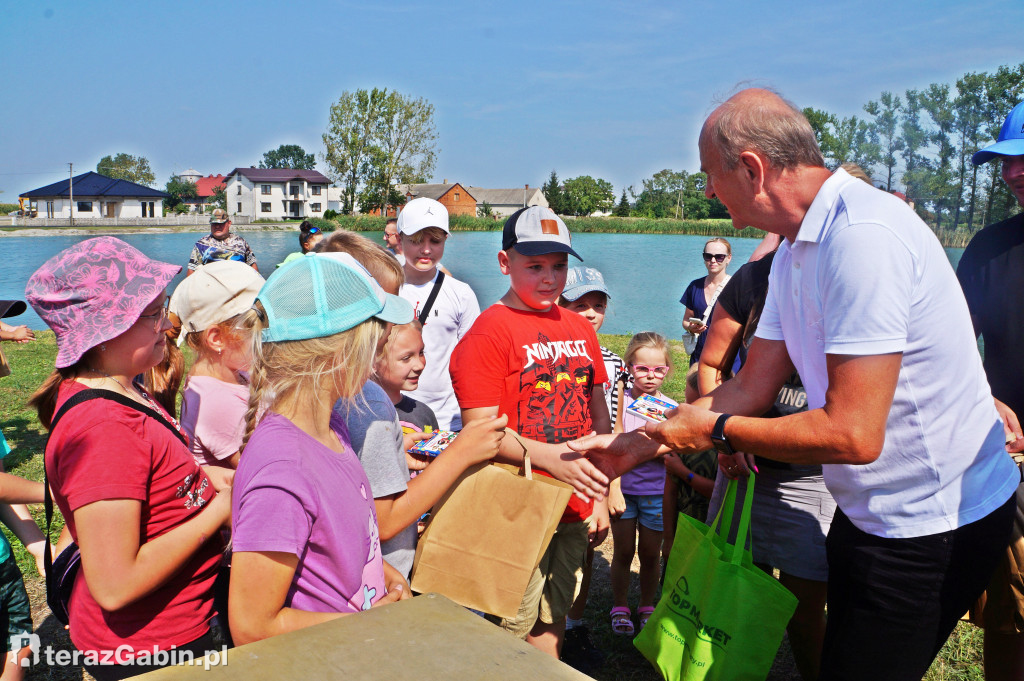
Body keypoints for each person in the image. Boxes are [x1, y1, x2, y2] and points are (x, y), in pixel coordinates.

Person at [570, 88, 1018, 681]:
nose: (706, 190)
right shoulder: (795, 253)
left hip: (933, 521)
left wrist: (719, 431)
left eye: (709, 174)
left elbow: (855, 434)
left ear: (751, 169)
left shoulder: (864, 236)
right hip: (869, 511)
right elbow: (751, 383)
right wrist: (639, 445)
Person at [26, 237, 231, 680]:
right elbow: (115, 586)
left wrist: (205, 475)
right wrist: (218, 511)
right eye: (153, 315)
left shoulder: (125, 386)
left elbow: (151, 476)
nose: (167, 325)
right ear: (106, 328)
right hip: (149, 649)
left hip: (169, 626)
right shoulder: (104, 429)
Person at [450, 206, 611, 659]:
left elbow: (598, 413)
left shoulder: (580, 326)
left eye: (559, 266)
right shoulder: (489, 332)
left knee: (552, 613)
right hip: (514, 506)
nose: (550, 278)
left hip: (574, 503)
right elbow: (481, 433)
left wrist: (600, 492)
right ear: (505, 263)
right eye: (534, 266)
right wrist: (552, 457)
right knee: (508, 624)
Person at [228, 252, 414, 644]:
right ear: (340, 355)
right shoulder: (284, 473)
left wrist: (380, 571)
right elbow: (252, 625)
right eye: (375, 345)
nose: (377, 360)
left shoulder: (332, 427)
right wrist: (371, 625)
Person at [317, 230, 506, 580]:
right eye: (386, 312)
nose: (393, 326)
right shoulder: (369, 407)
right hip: (377, 578)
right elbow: (386, 521)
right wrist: (459, 453)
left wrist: (396, 448)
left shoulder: (327, 391)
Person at [697, 237, 832, 681]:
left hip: (813, 477)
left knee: (805, 606)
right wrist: (726, 441)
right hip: (741, 468)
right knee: (731, 590)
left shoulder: (846, 274)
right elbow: (712, 364)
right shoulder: (755, 276)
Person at [957, 99, 1024, 681]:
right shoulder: (989, 248)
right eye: (1005, 161)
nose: (1012, 172)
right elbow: (949, 345)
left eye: (1023, 158)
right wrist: (986, 395)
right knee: (1008, 616)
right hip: (1014, 462)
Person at [556, 267, 620, 673]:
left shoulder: (613, 361)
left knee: (585, 551)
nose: (592, 313)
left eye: (598, 305)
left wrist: (608, 485)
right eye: (581, 305)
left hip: (596, 467)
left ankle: (575, 626)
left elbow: (611, 422)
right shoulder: (553, 351)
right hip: (557, 463)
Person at [608, 332, 674, 637]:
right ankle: (619, 604)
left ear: (668, 370)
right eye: (642, 368)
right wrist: (614, 488)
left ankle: (647, 604)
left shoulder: (672, 410)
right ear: (629, 366)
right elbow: (613, 446)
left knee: (650, 554)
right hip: (623, 493)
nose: (650, 376)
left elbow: (677, 449)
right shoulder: (618, 403)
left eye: (658, 369)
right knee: (622, 552)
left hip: (656, 495)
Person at [170, 261, 265, 468]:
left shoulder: (228, 373)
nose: (265, 336)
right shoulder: (216, 402)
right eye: (258, 326)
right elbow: (259, 470)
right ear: (217, 339)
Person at [397, 197, 480, 431]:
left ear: (445, 240)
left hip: (446, 420)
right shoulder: (384, 288)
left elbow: (472, 362)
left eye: (435, 241)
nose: (425, 249)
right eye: (415, 240)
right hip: (391, 416)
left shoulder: (461, 293)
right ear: (399, 238)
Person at [680, 237, 732, 365]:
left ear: (728, 258)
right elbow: (686, 320)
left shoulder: (736, 287)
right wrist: (692, 328)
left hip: (728, 357)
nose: (713, 260)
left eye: (719, 257)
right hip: (699, 356)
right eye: (708, 256)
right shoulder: (694, 286)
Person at [187, 208, 258, 274]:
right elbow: (191, 269)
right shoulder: (201, 244)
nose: (217, 226)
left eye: (221, 223)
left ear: (229, 223)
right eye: (214, 224)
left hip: (237, 283)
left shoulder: (241, 242)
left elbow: (252, 265)